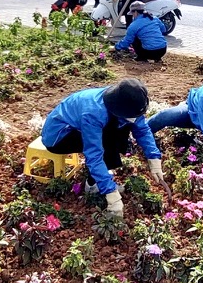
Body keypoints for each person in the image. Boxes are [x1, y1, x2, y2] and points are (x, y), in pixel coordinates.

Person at [41, 79, 166, 218]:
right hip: (58, 136)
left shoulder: (122, 99)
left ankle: (100, 177)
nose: (134, 119)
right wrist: (111, 193)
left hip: (77, 127)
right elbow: (94, 155)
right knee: (108, 140)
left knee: (117, 132)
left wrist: (154, 157)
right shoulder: (93, 113)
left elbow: (141, 129)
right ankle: (93, 185)